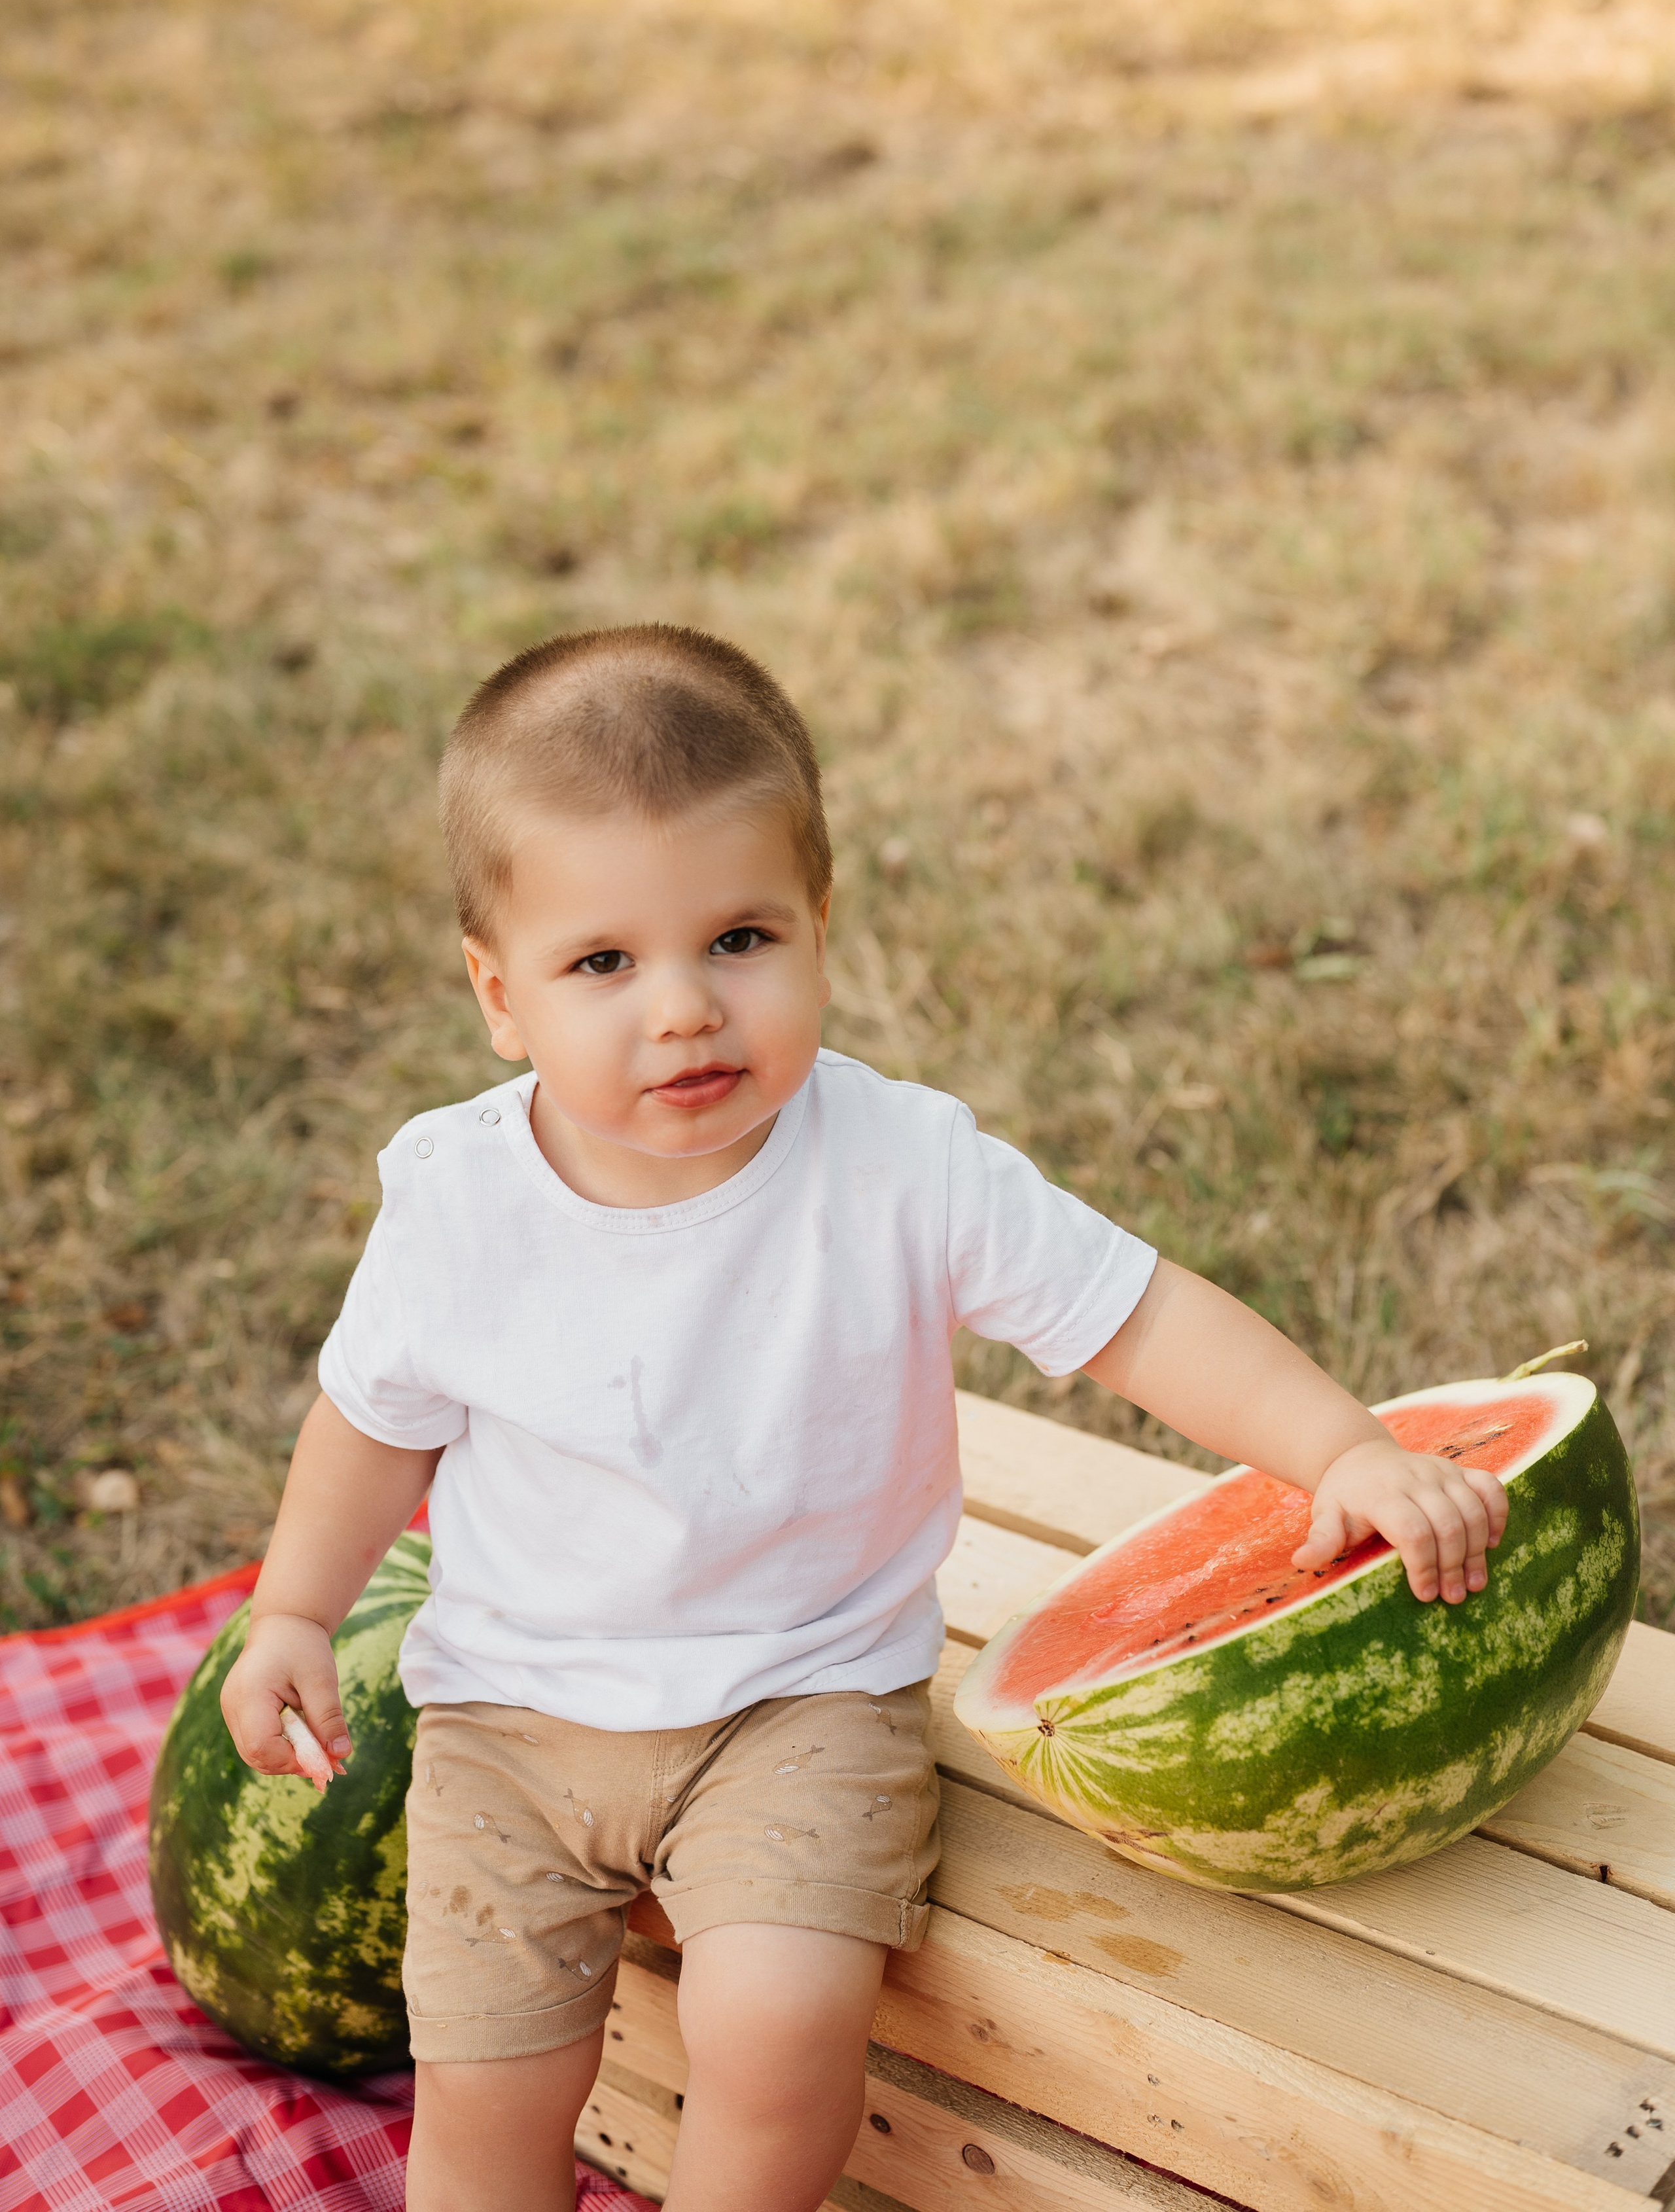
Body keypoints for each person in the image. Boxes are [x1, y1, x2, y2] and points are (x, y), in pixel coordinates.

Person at [219, 623, 1508, 2212]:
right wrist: (295, 1606)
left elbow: (1143, 1315)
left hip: (801, 1694)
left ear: (821, 927)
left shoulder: (904, 1167)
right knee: (486, 2087)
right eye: (604, 963)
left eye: (740, 938)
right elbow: (371, 1423)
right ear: (501, 996)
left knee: (776, 2027)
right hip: (510, 1714)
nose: (684, 1009)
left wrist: (1340, 1445)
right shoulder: (453, 1203)